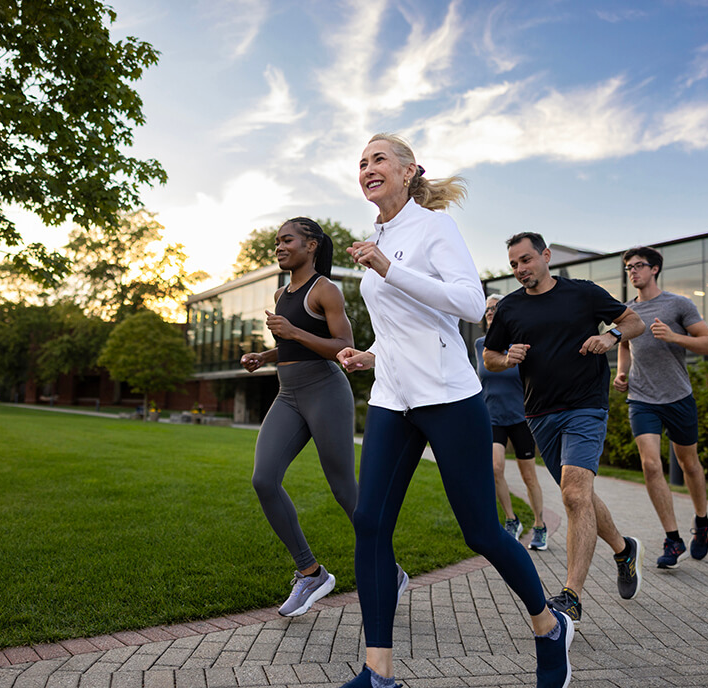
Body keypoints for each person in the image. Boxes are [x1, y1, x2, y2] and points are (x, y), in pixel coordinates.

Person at [336, 134, 572, 688]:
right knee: (370, 525)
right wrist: (370, 353)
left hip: (447, 396)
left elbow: (468, 303)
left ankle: (548, 626)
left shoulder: (433, 227)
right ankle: (378, 672)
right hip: (393, 396)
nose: (367, 168)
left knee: (482, 532)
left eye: (378, 160)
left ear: (408, 170)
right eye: (362, 162)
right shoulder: (378, 236)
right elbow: (404, 324)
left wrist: (390, 269)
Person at [483, 231, 647, 626]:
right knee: (580, 497)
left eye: (526, 260)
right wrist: (507, 359)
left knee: (574, 494)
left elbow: (634, 321)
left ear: (546, 256)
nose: (521, 270)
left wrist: (610, 336)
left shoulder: (583, 293)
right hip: (539, 414)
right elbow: (489, 357)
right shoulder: (509, 309)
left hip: (586, 405)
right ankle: (624, 550)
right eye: (514, 265)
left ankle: (571, 596)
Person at [240, 217, 359, 617]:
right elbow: (292, 344)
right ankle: (310, 572)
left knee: (344, 488)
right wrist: (265, 355)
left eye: (287, 240)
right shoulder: (280, 293)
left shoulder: (325, 290)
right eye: (277, 241)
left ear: (310, 246)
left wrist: (290, 333)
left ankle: (386, 566)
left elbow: (344, 347)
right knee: (264, 478)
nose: (279, 246)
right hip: (288, 393)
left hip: (326, 391)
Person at [614, 246, 708, 568]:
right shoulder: (626, 311)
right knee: (651, 464)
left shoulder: (678, 304)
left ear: (655, 269)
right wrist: (621, 371)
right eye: (629, 267)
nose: (633, 272)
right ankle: (673, 539)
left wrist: (674, 337)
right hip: (642, 398)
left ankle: (701, 522)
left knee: (689, 465)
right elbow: (625, 345)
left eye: (639, 266)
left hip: (678, 396)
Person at [475, 294, 548, 551]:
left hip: (522, 418)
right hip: (492, 416)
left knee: (529, 476)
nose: (491, 312)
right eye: (487, 310)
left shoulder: (520, 344)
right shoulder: (480, 345)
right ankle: (511, 520)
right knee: (495, 469)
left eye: (496, 308)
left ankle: (540, 525)